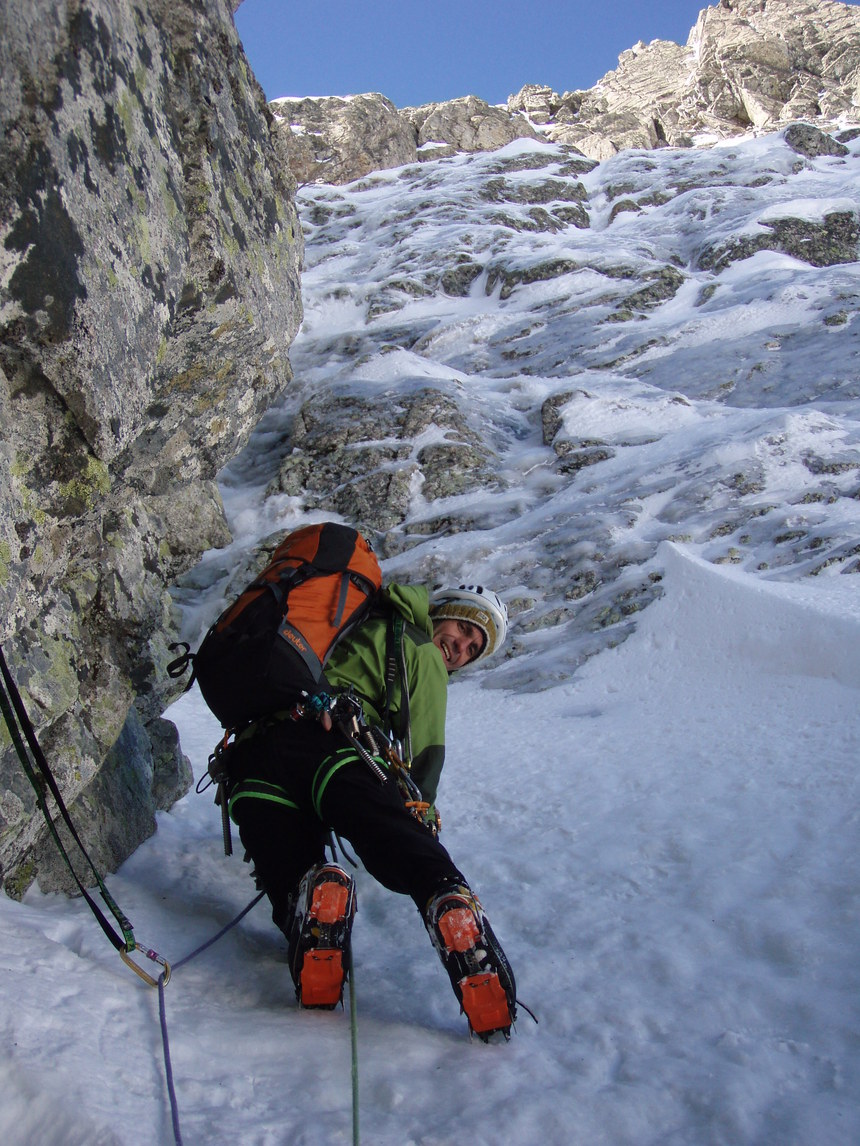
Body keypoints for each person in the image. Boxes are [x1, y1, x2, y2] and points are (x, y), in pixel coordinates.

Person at [222, 582, 517, 1040]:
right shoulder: (419, 648)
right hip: (336, 745)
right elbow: (424, 759)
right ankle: (449, 901)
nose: (459, 648)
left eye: (472, 648)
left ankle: (308, 903)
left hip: (253, 757)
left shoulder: (358, 620)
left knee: (285, 862)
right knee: (388, 833)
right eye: (463, 629)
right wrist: (420, 824)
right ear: (443, 613)